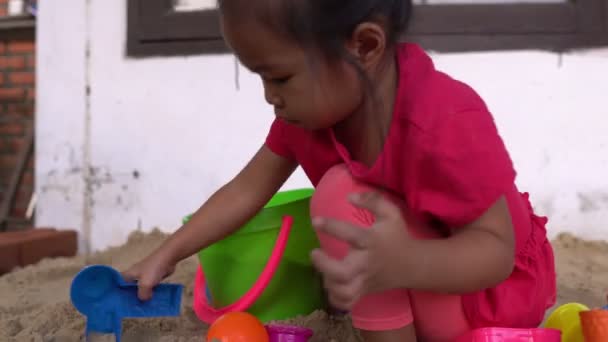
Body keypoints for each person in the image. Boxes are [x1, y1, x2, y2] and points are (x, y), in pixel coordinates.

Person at [123, 0, 557, 340]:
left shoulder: (445, 120)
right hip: (414, 278)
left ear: (364, 46)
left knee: (339, 196)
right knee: (342, 208)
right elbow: (245, 191)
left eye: (280, 78)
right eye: (260, 78)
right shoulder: (307, 118)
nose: (270, 97)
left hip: (484, 297)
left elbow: (495, 252)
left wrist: (408, 262)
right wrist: (166, 253)